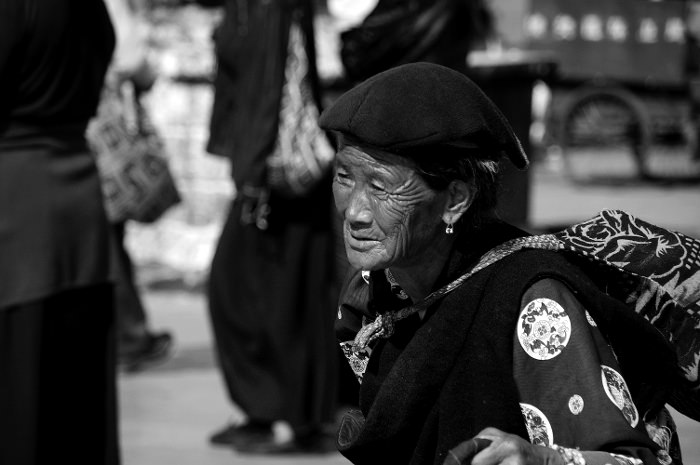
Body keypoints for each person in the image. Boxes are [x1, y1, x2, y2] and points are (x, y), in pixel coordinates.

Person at [318, 62, 686, 465]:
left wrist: (543, 460)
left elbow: (633, 461)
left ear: (455, 200)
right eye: (343, 177)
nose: (354, 212)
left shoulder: (537, 307)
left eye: (379, 187)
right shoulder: (371, 290)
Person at [196, 0, 341, 453]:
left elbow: (276, 88)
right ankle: (269, 412)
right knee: (266, 291)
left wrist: (252, 173)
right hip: (273, 174)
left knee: (266, 293)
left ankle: (291, 418)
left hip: (277, 177)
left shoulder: (266, 8)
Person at [0, 1, 120, 464]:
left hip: (16, 206)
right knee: (74, 399)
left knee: (20, 394)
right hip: (77, 203)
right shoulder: (89, 8)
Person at [102, 0, 174, 372]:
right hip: (101, 138)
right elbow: (133, 61)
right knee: (108, 242)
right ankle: (129, 337)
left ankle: (128, 336)